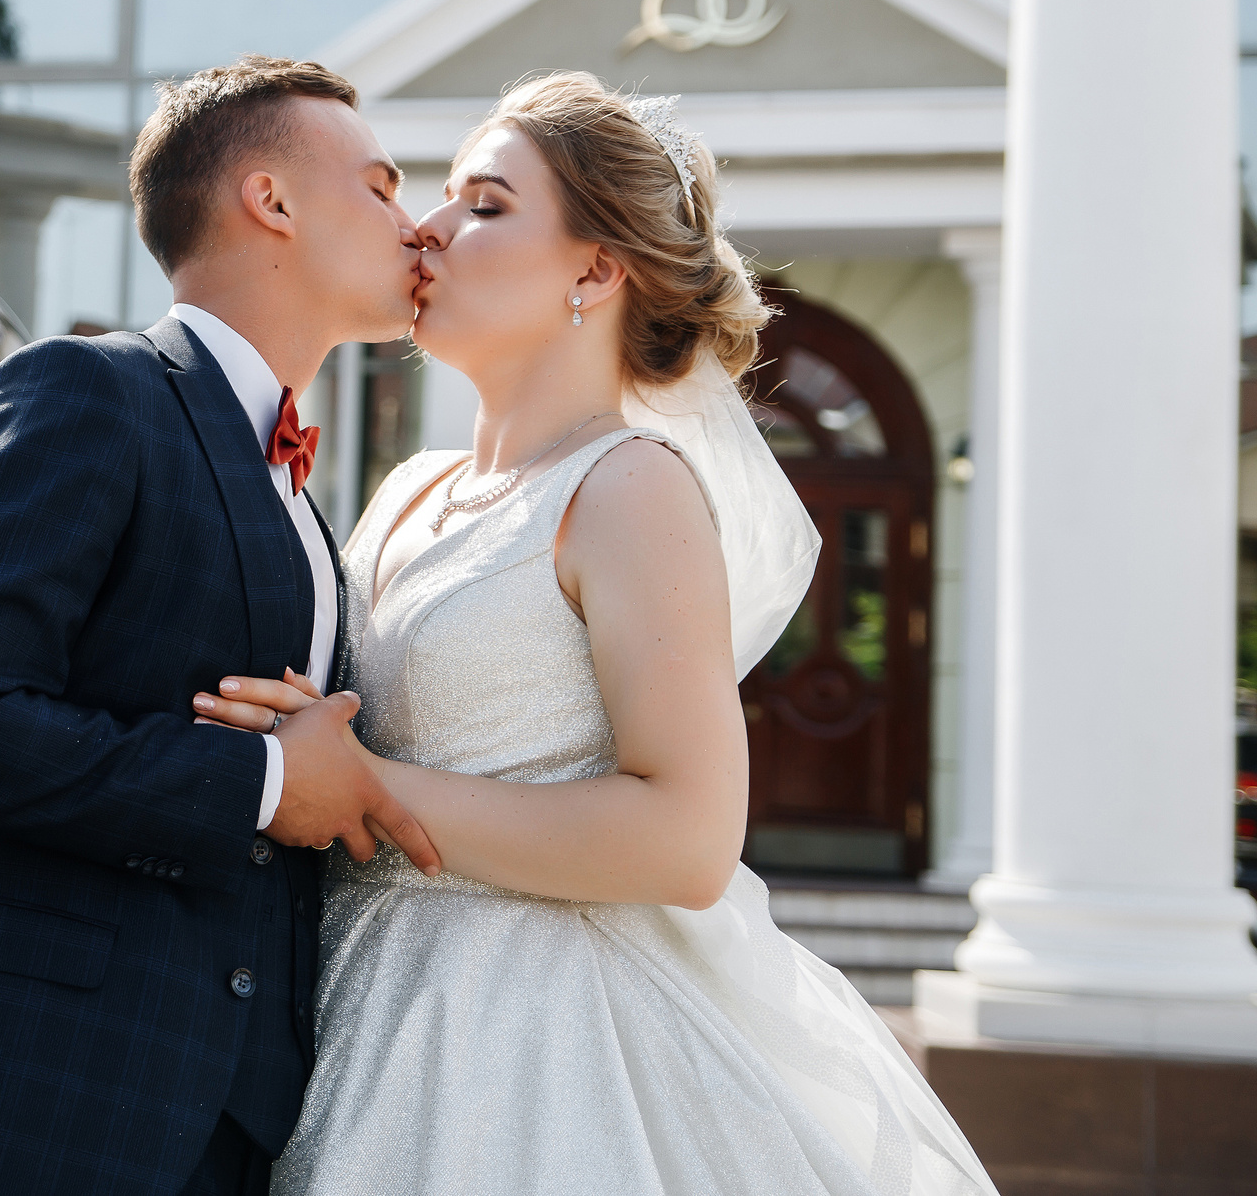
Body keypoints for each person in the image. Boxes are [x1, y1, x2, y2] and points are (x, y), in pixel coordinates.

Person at [196, 73, 998, 1195]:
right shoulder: (404, 490)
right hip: (334, 996)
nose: (424, 228)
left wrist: (367, 789)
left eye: (482, 205)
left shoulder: (629, 490)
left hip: (531, 1045)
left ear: (594, 267)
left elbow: (686, 837)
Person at [0, 56, 445, 1196]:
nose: (415, 227)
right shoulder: (81, 392)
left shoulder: (303, 500)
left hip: (232, 1118)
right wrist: (261, 785)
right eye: (381, 187)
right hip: (31, 1104)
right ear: (273, 200)